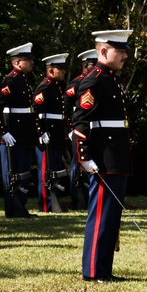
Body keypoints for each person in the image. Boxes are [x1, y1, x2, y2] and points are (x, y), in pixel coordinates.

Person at [71, 29, 132, 284]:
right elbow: (79, 123)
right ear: (104, 51)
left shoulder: (111, 79)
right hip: (104, 158)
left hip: (116, 156)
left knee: (111, 217)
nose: (125, 57)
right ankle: (93, 270)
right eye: (120, 51)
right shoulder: (94, 80)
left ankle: (103, 269)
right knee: (101, 217)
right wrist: (84, 157)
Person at [0, 43, 37, 218]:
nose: (31, 63)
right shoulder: (10, 81)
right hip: (14, 132)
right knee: (13, 171)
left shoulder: (24, 80)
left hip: (25, 132)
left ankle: (21, 205)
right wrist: (3, 131)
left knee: (23, 171)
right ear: (17, 62)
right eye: (27, 60)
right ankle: (13, 207)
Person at [34, 53, 69, 213]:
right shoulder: (45, 86)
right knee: (45, 172)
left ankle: (55, 202)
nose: (64, 72)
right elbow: (35, 111)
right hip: (47, 134)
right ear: (50, 70)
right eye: (60, 69)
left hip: (56, 135)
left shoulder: (55, 86)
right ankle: (46, 205)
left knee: (54, 169)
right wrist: (40, 131)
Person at [66, 47, 98, 208]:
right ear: (86, 66)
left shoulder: (97, 81)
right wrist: (70, 129)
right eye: (94, 64)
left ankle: (89, 197)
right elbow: (66, 107)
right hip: (79, 129)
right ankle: (78, 198)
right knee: (78, 165)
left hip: (92, 129)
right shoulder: (77, 83)